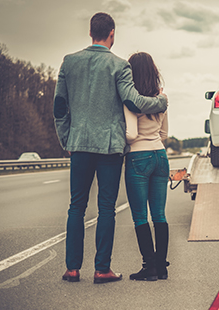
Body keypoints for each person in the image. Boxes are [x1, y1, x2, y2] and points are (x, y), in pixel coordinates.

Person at [53, 13, 168, 284]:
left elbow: (60, 107)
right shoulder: (119, 66)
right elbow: (134, 101)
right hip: (110, 149)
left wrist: (66, 140)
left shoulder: (69, 62)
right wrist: (161, 103)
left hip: (79, 145)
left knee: (76, 207)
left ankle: (72, 268)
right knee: (106, 208)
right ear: (112, 33)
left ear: (91, 32)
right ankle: (102, 269)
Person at [123, 52, 170, 281]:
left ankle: (148, 267)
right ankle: (161, 267)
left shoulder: (129, 101)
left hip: (137, 156)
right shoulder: (161, 98)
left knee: (140, 216)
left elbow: (129, 134)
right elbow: (165, 133)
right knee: (159, 214)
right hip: (160, 155)